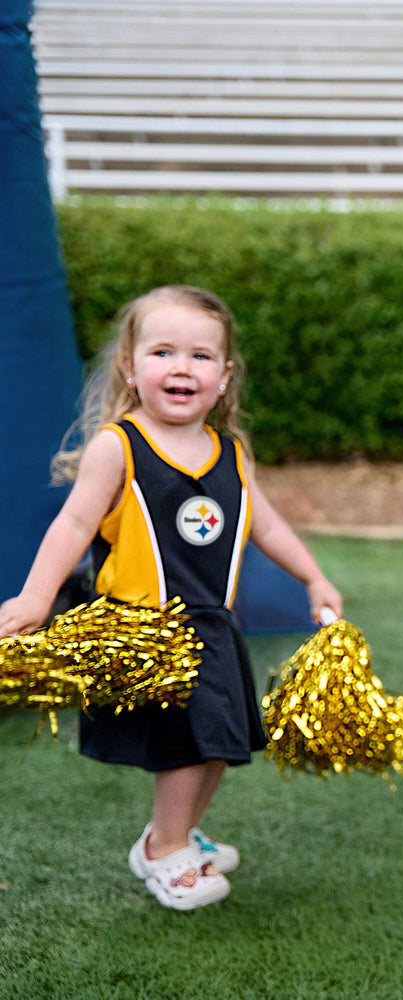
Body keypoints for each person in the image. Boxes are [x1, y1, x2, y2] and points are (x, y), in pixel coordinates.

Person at [0, 285, 343, 911]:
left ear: (224, 377)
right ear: (130, 367)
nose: (181, 367)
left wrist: (313, 577)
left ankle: (178, 833)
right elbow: (73, 525)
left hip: (214, 626)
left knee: (223, 743)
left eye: (200, 356)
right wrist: (35, 597)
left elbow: (265, 525)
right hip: (149, 635)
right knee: (187, 745)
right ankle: (166, 849)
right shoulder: (119, 445)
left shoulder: (230, 451)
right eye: (162, 352)